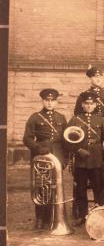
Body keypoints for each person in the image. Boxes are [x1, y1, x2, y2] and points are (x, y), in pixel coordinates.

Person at [64, 91, 104, 226]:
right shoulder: (75, 119)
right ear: (82, 104)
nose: (89, 106)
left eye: (91, 104)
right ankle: (83, 215)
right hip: (80, 161)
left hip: (97, 159)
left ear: (95, 105)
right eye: (86, 103)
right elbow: (66, 139)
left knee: (98, 188)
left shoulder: (101, 119)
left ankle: (98, 214)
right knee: (80, 189)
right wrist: (78, 150)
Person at [23, 88, 68, 229]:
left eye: (52, 100)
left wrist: (65, 158)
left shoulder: (61, 118)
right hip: (42, 156)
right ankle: (41, 218)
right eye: (47, 100)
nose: (49, 103)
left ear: (56, 102)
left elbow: (66, 140)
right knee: (42, 186)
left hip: (58, 154)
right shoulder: (35, 117)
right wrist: (38, 149)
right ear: (42, 101)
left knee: (57, 186)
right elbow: (27, 138)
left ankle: (56, 217)